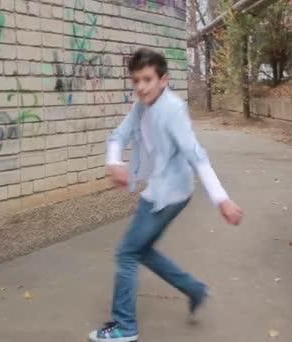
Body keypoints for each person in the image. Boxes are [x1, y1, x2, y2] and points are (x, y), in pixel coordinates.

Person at [88, 48, 243, 342]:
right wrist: (114, 162)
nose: (141, 87)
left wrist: (221, 198)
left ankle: (125, 327)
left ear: (164, 80)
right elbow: (118, 135)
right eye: (136, 81)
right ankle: (194, 289)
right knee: (141, 250)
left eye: (147, 79)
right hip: (164, 189)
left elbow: (196, 155)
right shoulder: (142, 106)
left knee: (127, 253)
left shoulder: (172, 110)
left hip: (169, 194)